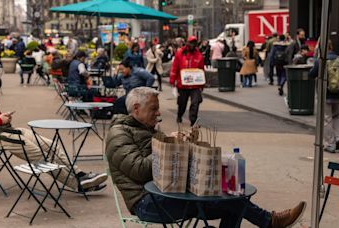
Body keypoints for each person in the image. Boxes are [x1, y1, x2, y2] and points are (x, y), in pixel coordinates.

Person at [106, 86, 307, 228]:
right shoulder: (119, 134)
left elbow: (173, 163)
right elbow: (141, 170)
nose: (158, 113)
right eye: (153, 109)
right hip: (147, 202)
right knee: (231, 200)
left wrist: (185, 143)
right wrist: (172, 146)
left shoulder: (147, 128)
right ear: (136, 109)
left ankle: (270, 222)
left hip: (167, 193)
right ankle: (270, 222)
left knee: (231, 196)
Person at [0, 72, 108, 193]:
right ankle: (77, 184)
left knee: (51, 145)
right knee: (41, 154)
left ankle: (80, 174)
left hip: (4, 132)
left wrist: (2, 118)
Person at [309, 40, 339, 153]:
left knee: (327, 119)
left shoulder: (321, 61)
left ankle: (331, 143)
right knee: (337, 116)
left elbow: (311, 74)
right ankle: (338, 137)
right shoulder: (338, 58)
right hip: (338, 94)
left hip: (326, 94)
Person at [170, 36, 204, 126]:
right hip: (182, 84)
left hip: (195, 85)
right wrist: (172, 81)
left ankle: (193, 120)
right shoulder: (180, 53)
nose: (192, 44)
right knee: (182, 103)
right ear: (187, 43)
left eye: (194, 43)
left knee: (195, 103)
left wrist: (202, 84)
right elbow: (175, 67)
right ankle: (179, 115)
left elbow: (201, 70)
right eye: (191, 42)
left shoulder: (199, 55)